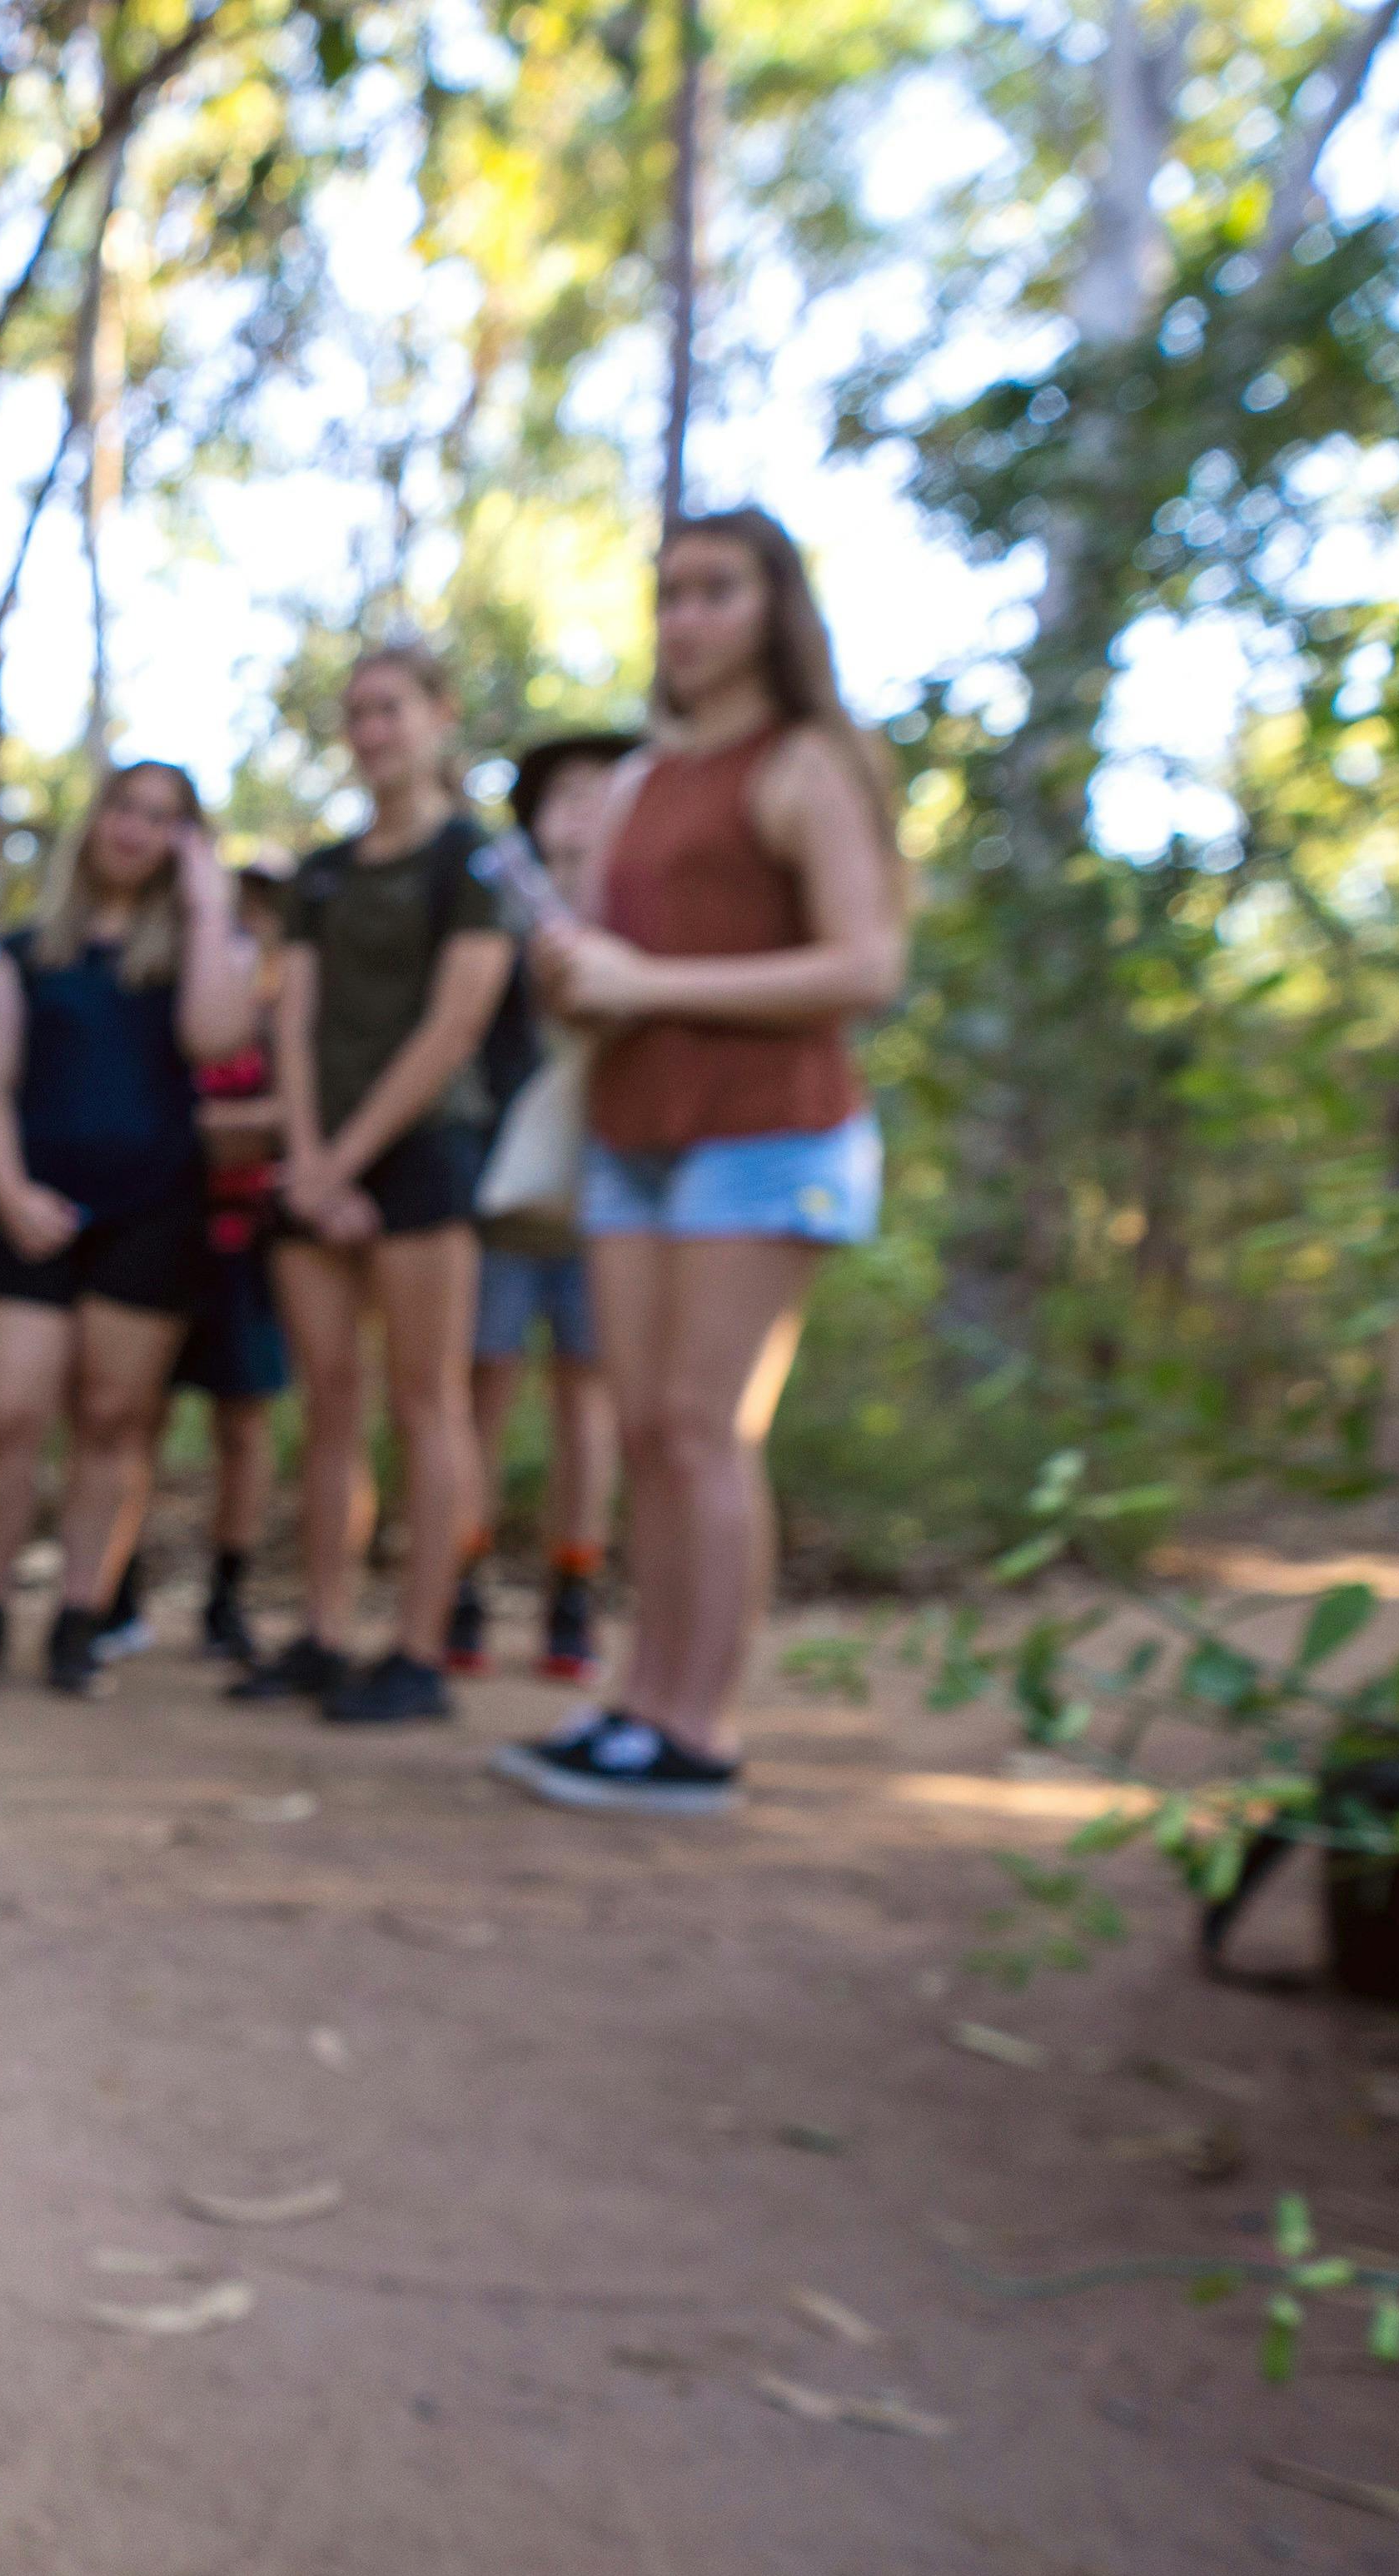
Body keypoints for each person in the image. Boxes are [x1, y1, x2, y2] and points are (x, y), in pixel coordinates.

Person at [497, 508, 911, 1815]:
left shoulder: (806, 766)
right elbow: (607, 969)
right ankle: (637, 1704)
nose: (685, 618)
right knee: (642, 1430)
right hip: (631, 1134)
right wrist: (576, 975)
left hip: (768, 1130)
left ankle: (701, 1730)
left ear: (773, 607)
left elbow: (864, 966)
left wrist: (652, 978)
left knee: (702, 1427)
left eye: (715, 591)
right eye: (669, 593)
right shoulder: (631, 783)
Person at [246, 645, 515, 1728]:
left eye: (389, 710)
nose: (370, 733)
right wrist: (308, 1164)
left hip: (419, 1156)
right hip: (316, 1165)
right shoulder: (321, 873)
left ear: (438, 718)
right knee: (328, 1405)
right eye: (355, 714)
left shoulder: (472, 862)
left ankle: (417, 1648)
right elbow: (291, 1020)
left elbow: (456, 1025)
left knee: (425, 1399)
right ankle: (320, 1632)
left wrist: (344, 1162)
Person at [0, 763, 253, 1693]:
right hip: (35, 1211)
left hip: (152, 1210)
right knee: (6, 1416)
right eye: (123, 807)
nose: (135, 829)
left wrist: (207, 904)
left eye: (163, 818)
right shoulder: (26, 952)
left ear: (183, 841)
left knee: (113, 1420)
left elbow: (212, 1039)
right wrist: (9, 1189)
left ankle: (80, 1616)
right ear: (95, 820)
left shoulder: (208, 949)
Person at [446, 730, 640, 1683]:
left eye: (602, 790)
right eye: (566, 792)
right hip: (503, 1189)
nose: (581, 806)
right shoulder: (499, 906)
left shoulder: (647, 909)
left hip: (611, 1191)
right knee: (479, 1389)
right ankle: (460, 1577)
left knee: (585, 1402)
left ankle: (573, 1589)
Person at [169, 866, 301, 1667]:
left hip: (253, 1245)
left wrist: (212, 1129)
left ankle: (228, 1594)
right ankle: (113, 1592)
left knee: (244, 1421)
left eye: (264, 917)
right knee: (128, 1412)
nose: (251, 931)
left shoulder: (289, 1016)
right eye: (238, 915)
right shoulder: (183, 997)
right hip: (165, 1231)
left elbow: (291, 1119)